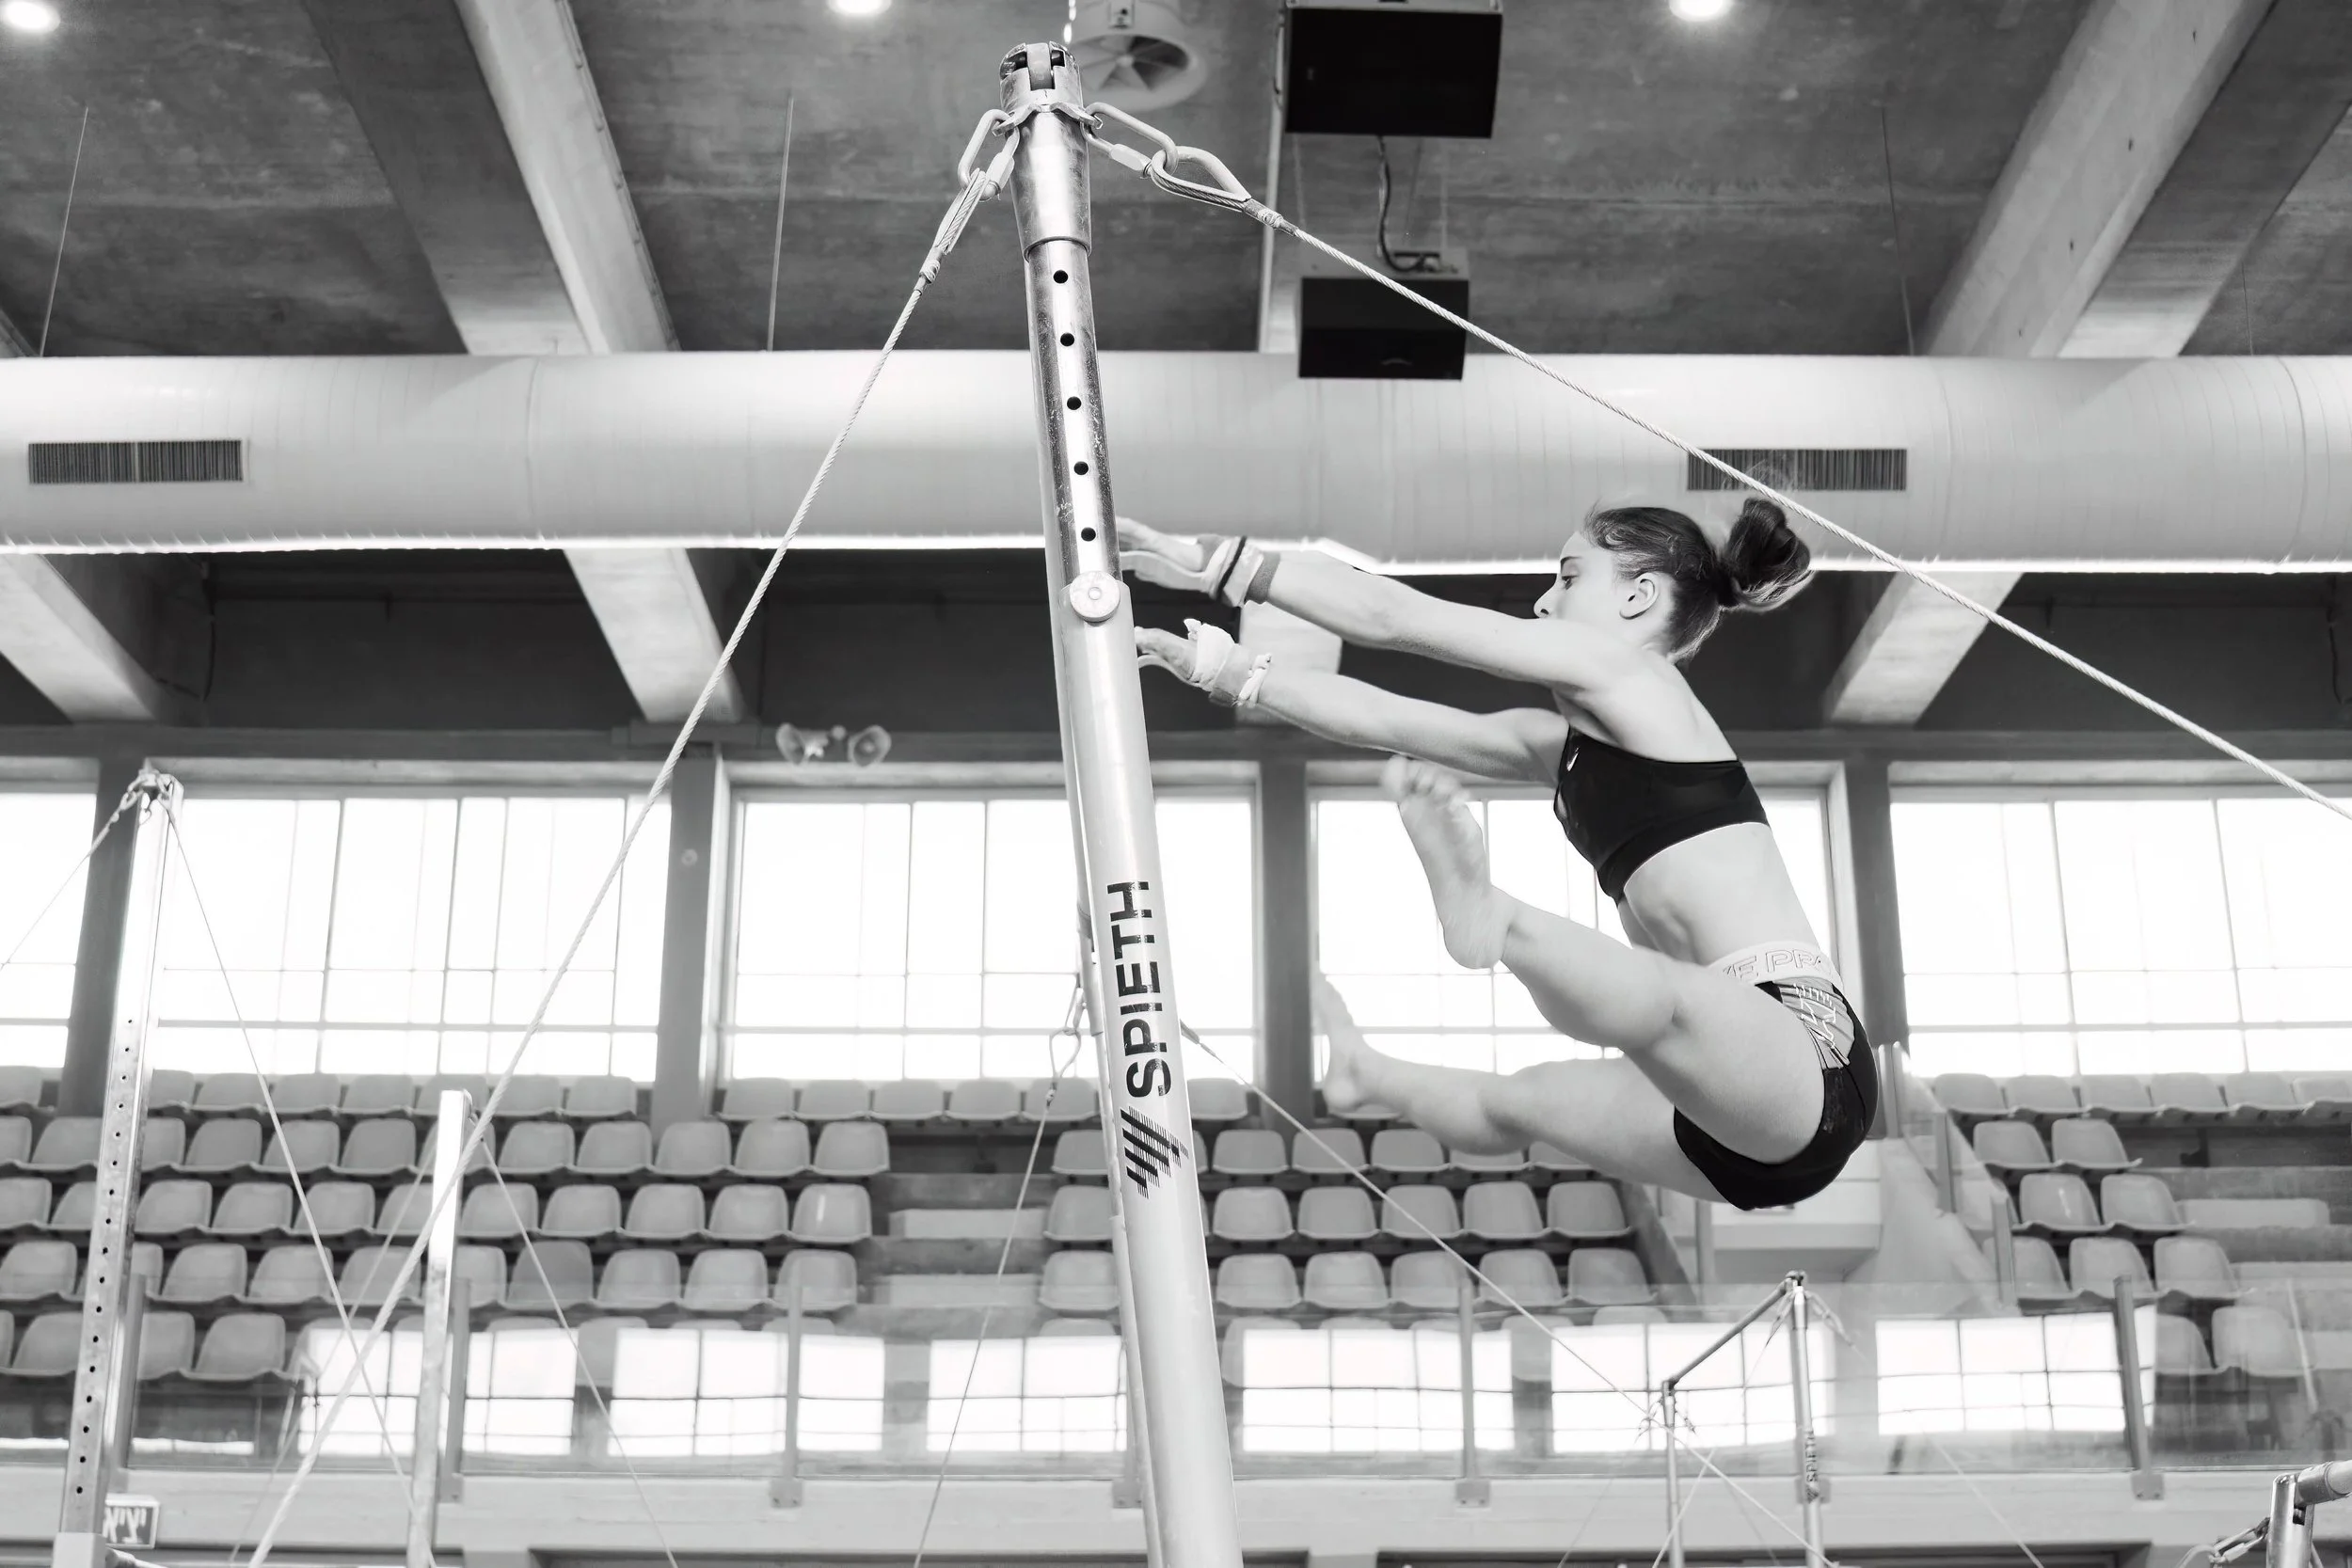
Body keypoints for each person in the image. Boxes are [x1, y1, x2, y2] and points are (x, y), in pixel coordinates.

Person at [1122, 501, 1875, 1209]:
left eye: (1570, 577)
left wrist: (1213, 562)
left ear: (1639, 596)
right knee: (1517, 1101)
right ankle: (1366, 1069)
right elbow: (1383, 718)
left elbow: (1393, 615)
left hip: (1805, 1052)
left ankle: (1495, 917)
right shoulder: (1557, 746)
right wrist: (1220, 667)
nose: (1544, 602)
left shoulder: (1634, 674)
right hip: (1721, 1116)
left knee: (1663, 996)